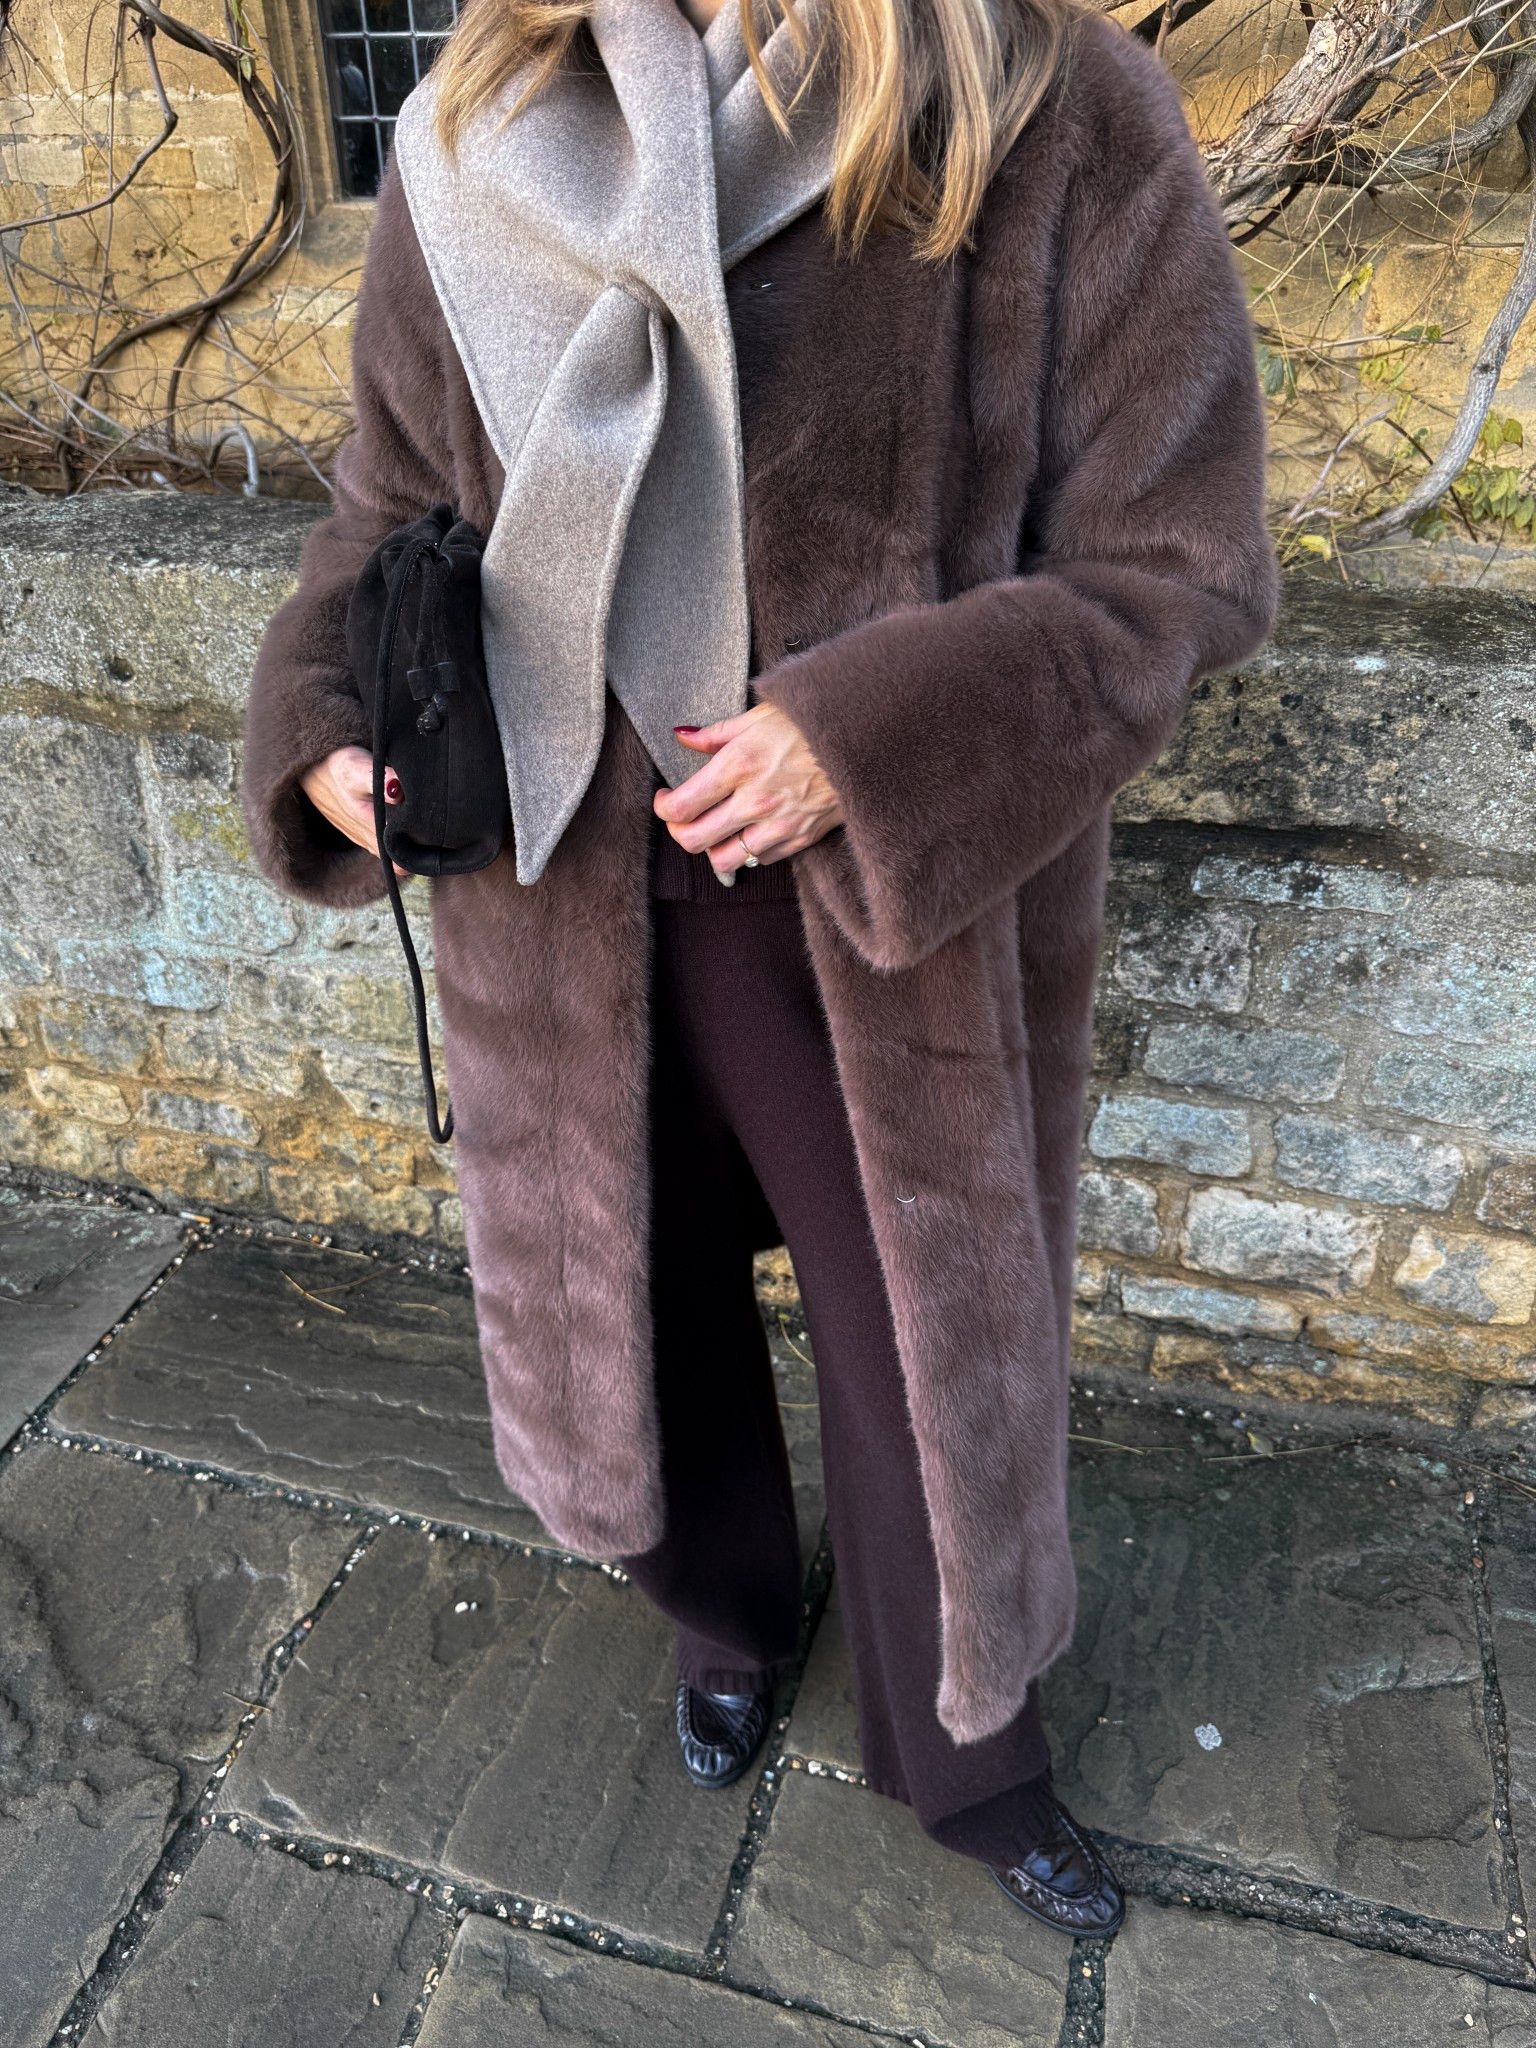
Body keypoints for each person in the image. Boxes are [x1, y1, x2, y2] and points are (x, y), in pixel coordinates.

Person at [241, 0, 1278, 1940]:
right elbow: (384, 509)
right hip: (554, 891)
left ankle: (974, 1756)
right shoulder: (474, 124)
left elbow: (1181, 568)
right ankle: (723, 1614)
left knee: (924, 1358)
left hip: (887, 916)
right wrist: (323, 722)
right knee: (632, 1306)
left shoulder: (1048, 106)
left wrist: (865, 740)